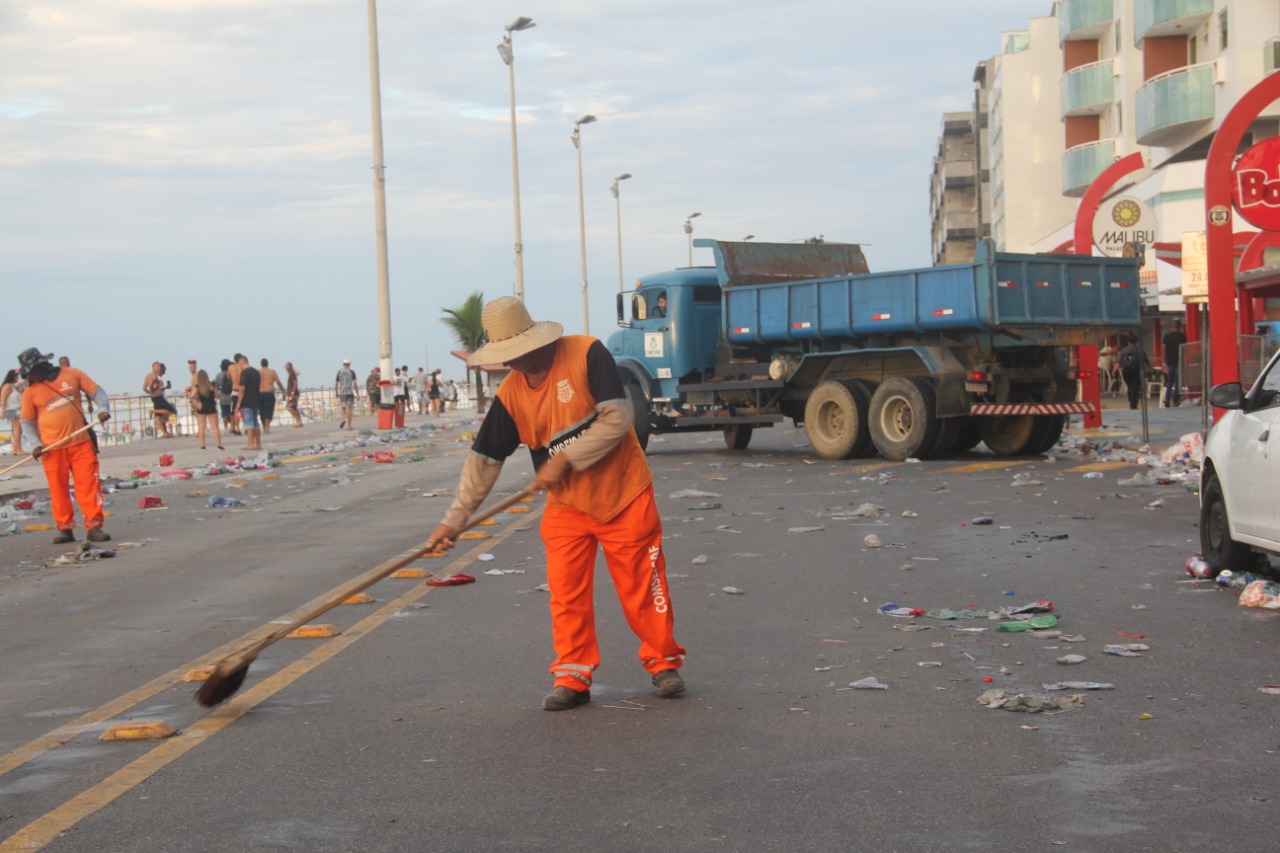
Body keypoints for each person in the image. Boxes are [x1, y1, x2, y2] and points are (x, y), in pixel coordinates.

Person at [425, 296, 686, 712]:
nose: (512, 365)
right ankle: (573, 675)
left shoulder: (586, 353)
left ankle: (663, 662)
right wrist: (454, 521)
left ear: (535, 341)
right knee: (566, 595)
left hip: (623, 492)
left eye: (516, 354)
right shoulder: (511, 395)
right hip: (567, 505)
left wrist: (564, 459)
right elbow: (484, 462)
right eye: (505, 358)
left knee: (643, 588)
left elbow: (617, 421)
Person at [17, 348, 112, 544]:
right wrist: (35, 444)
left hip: (82, 443)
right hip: (52, 450)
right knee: (58, 489)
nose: (30, 377)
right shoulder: (30, 392)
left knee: (88, 485)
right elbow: (26, 422)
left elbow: (97, 392)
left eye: (32, 372)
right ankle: (65, 528)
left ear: (41, 366)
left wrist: (103, 409)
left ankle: (94, 526)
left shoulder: (72, 374)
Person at [235, 354, 263, 450]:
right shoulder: (256, 372)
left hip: (247, 401)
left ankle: (250, 444)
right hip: (256, 400)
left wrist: (238, 403)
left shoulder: (244, 373)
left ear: (241, 363)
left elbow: (242, 389)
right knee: (256, 422)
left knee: (249, 423)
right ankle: (258, 444)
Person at [143, 361, 177, 437]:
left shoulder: (148, 376)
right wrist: (159, 384)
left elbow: (144, 388)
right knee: (171, 411)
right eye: (157, 366)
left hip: (155, 397)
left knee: (158, 416)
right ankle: (152, 411)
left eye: (159, 367)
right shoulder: (155, 376)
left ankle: (165, 433)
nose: (159, 368)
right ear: (153, 367)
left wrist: (150, 393)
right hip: (159, 397)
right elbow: (154, 387)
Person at [1118, 332, 1150, 410]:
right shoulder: (1140, 350)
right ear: (1137, 341)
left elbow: (1119, 362)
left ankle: (1131, 400)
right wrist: (1149, 369)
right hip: (1136, 370)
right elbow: (1146, 361)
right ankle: (1133, 404)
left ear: (1128, 341)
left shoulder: (1124, 350)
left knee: (1130, 386)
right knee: (1134, 387)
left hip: (1126, 371)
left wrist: (1114, 371)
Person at [192, 369, 222, 451]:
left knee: (201, 427)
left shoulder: (198, 386)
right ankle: (219, 445)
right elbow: (216, 396)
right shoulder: (212, 385)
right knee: (215, 427)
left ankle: (203, 446)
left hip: (201, 406)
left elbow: (192, 395)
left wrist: (198, 401)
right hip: (211, 406)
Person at [1162, 320, 1187, 408]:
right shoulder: (1183, 337)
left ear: (1172, 326)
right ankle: (1176, 400)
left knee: (1169, 382)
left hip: (1169, 363)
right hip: (1178, 362)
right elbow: (1184, 350)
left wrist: (1164, 363)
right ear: (1180, 327)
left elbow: (1164, 349)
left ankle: (1166, 399)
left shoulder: (1167, 336)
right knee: (1177, 382)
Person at [258, 358, 285, 434]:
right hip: (269, 393)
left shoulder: (257, 372)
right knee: (269, 410)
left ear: (261, 364)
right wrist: (283, 390)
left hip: (259, 393)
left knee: (261, 410)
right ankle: (267, 428)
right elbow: (278, 382)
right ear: (267, 364)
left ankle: (264, 427)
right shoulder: (272, 372)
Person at [2, 366, 24, 454]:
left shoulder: (14, 386)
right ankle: (18, 449)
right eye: (16, 376)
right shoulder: (8, 386)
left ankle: (16, 449)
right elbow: (3, 399)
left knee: (19, 429)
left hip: (17, 409)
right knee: (18, 429)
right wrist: (3, 411)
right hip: (12, 410)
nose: (18, 378)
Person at [214, 358, 237, 437]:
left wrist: (217, 395)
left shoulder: (218, 375)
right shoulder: (231, 374)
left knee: (224, 413)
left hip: (223, 396)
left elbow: (216, 386)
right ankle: (232, 428)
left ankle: (225, 427)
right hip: (231, 396)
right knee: (231, 412)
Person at [335, 359, 359, 428]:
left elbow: (336, 383)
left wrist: (336, 392)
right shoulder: (352, 372)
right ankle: (349, 425)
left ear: (343, 364)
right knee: (350, 408)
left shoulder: (339, 372)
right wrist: (357, 394)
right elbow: (354, 383)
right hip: (350, 392)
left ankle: (344, 419)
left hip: (342, 392)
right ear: (349, 364)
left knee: (343, 408)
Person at [284, 361, 303, 427]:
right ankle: (299, 421)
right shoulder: (291, 373)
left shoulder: (292, 373)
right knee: (293, 408)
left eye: (286, 366)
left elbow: (295, 383)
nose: (285, 368)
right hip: (292, 393)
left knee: (290, 407)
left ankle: (298, 420)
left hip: (293, 394)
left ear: (290, 367)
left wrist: (292, 392)